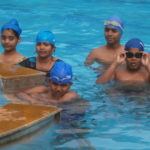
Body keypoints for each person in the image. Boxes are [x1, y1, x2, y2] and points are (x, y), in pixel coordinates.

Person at [13, 61, 78, 105]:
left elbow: (58, 103)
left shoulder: (71, 95)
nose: (58, 89)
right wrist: (32, 100)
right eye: (55, 84)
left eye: (63, 85)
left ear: (70, 85)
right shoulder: (44, 89)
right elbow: (19, 93)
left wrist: (39, 98)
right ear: (49, 81)